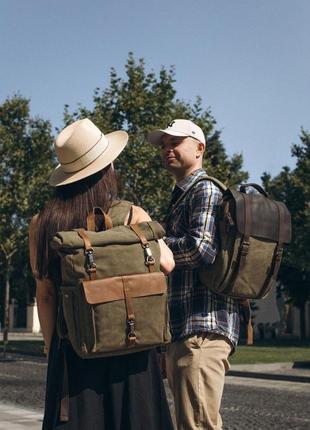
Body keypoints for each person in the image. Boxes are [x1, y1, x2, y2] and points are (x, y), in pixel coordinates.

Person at [29, 118, 175, 430]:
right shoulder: (132, 215)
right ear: (107, 171)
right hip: (132, 348)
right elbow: (167, 264)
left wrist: (51, 345)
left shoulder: (42, 223)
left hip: (74, 353)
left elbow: (46, 294)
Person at [149, 119, 240, 430]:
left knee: (198, 425)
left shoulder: (205, 189)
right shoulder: (182, 196)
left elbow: (201, 249)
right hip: (184, 330)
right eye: (163, 145)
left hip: (202, 328)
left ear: (200, 148)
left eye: (175, 142)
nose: (167, 149)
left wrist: (153, 243)